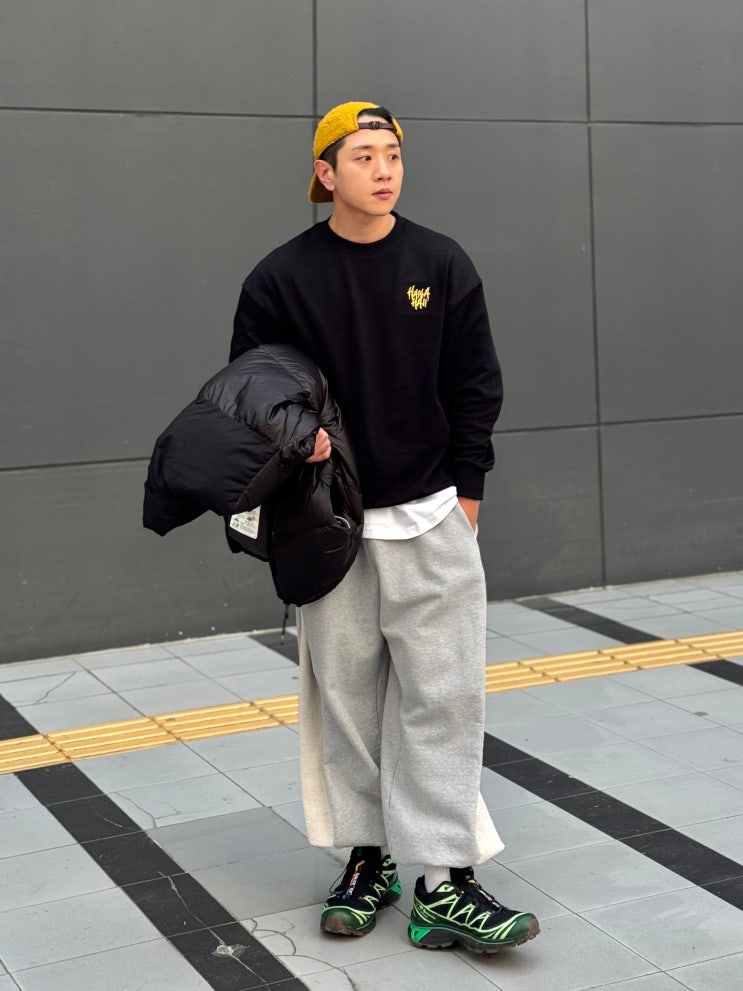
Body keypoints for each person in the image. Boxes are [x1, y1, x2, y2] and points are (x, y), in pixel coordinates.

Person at [230, 101, 539, 954]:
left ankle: (443, 876)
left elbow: (474, 383)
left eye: (392, 154)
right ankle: (367, 858)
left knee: (445, 696)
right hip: (328, 525)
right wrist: (295, 441)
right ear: (324, 173)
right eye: (363, 155)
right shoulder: (280, 278)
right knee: (347, 698)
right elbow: (252, 392)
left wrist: (467, 493)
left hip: (432, 513)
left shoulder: (439, 261)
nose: (382, 169)